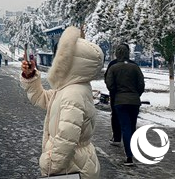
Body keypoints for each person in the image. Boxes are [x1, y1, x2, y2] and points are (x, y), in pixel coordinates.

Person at [21, 26, 102, 179]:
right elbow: (43, 98)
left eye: (60, 56)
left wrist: (50, 163)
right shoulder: (72, 88)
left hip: (70, 167)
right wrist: (30, 76)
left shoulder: (73, 93)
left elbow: (67, 137)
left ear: (69, 61)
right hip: (76, 163)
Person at [105, 43, 145, 166]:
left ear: (117, 53)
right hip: (134, 101)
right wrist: (136, 94)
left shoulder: (113, 67)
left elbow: (110, 85)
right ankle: (132, 150)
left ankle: (129, 156)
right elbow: (141, 85)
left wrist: (117, 93)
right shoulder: (135, 67)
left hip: (120, 102)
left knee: (125, 127)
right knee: (132, 127)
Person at [103, 46, 122, 147]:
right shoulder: (133, 64)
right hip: (131, 97)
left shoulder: (113, 64)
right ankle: (130, 137)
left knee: (115, 115)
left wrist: (112, 89)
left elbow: (107, 78)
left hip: (116, 95)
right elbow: (140, 82)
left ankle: (117, 137)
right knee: (130, 118)